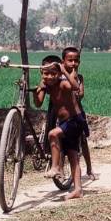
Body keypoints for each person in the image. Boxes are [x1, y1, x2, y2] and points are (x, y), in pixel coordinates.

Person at [33, 55, 84, 199]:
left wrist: (65, 71)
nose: (49, 77)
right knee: (73, 156)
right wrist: (39, 88)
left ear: (59, 73)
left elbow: (75, 86)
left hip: (75, 120)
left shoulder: (63, 83)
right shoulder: (47, 84)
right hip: (65, 122)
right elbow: (38, 103)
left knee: (52, 134)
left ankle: (55, 167)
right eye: (46, 73)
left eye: (53, 73)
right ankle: (78, 190)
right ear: (41, 73)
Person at [61, 46, 97, 179]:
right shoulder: (59, 77)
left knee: (82, 140)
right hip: (61, 113)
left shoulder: (79, 78)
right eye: (69, 60)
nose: (73, 63)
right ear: (63, 61)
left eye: (76, 61)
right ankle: (60, 167)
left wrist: (73, 78)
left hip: (76, 113)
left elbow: (80, 94)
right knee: (61, 139)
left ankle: (89, 168)